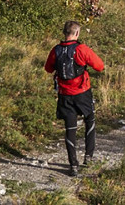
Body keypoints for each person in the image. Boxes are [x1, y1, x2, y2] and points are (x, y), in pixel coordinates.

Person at [44, 20, 105, 176]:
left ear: (64, 32)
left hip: (64, 95)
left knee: (70, 129)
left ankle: (73, 166)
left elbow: (48, 69)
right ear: (77, 33)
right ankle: (88, 158)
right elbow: (100, 66)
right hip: (82, 92)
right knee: (90, 120)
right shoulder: (81, 49)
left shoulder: (56, 50)